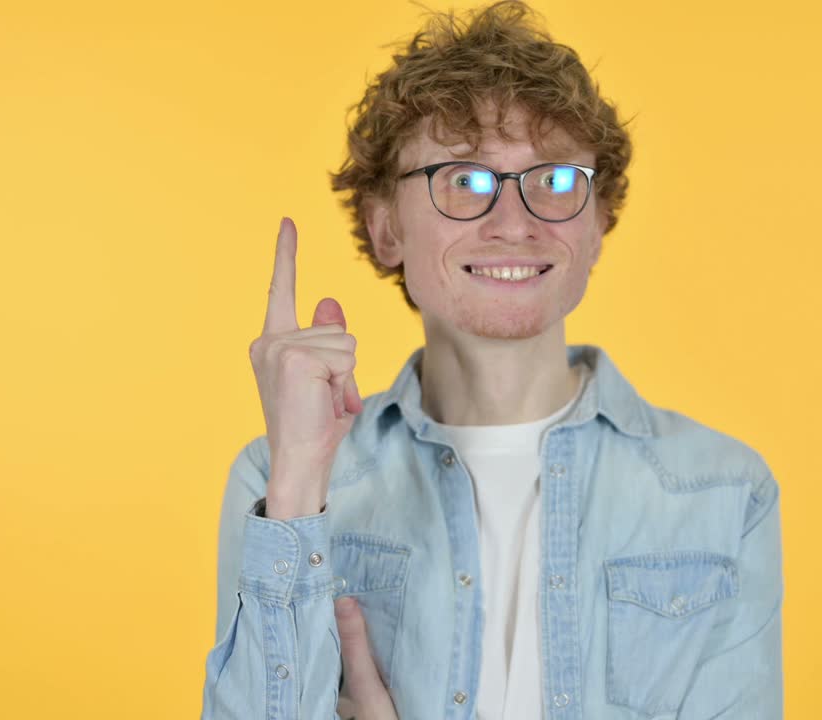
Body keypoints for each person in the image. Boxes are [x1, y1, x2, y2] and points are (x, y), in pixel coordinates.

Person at [200, 2, 784, 718]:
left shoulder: (721, 491)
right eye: (465, 181)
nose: (515, 223)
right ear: (387, 230)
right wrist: (296, 492)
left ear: (598, 227)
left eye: (556, 181)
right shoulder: (273, 479)